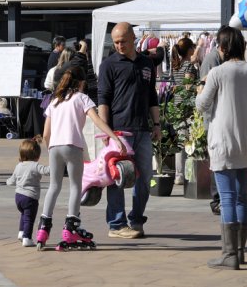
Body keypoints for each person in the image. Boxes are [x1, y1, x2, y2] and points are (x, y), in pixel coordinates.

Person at [196, 26, 247, 270]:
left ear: (224, 47)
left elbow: (202, 105)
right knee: (242, 198)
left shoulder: (217, 73)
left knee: (227, 198)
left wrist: (201, 86)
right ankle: (239, 252)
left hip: (223, 141)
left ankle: (229, 254)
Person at [36, 66, 126, 250]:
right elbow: (98, 120)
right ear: (82, 82)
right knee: (76, 186)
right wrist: (115, 137)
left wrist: (51, 148)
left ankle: (43, 229)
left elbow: (46, 133)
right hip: (73, 145)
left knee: (54, 186)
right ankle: (70, 228)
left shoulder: (54, 102)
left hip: (54, 146)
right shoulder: (82, 98)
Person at [97, 22, 161, 239]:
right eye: (115, 42)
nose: (119, 46)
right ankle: (116, 224)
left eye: (123, 41)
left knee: (145, 178)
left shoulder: (146, 63)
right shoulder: (109, 64)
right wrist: (107, 132)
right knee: (118, 177)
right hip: (119, 131)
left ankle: (136, 219)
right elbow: (103, 99)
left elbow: (152, 96)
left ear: (133, 38)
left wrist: (157, 124)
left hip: (143, 129)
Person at [200, 30, 226, 216]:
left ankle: (222, 197)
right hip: (212, 117)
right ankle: (217, 198)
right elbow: (205, 91)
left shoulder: (225, 60)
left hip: (222, 117)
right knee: (217, 158)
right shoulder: (212, 59)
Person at [6, 136, 50, 247]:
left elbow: (12, 180)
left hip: (18, 197)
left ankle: (21, 232)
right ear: (37, 156)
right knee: (29, 218)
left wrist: (7, 182)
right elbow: (47, 171)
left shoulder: (19, 166)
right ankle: (27, 238)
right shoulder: (36, 166)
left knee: (24, 215)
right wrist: (57, 165)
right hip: (30, 197)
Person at [171, 37, 198, 185]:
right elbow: (188, 86)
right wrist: (199, 86)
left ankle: (179, 175)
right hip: (186, 107)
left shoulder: (176, 65)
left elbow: (179, 85)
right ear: (189, 50)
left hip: (176, 105)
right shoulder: (188, 65)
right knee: (189, 142)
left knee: (180, 142)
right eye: (193, 47)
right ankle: (187, 174)